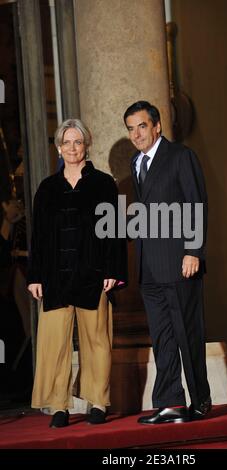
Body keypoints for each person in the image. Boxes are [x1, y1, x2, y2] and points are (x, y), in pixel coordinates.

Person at [27, 118, 127, 428]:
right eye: (66, 142)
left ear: (86, 145)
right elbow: (39, 236)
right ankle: (59, 405)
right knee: (54, 342)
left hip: (92, 274)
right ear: (58, 148)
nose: (72, 148)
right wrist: (35, 276)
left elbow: (116, 230)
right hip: (55, 277)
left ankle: (98, 402)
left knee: (97, 339)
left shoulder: (103, 184)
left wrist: (114, 270)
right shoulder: (47, 188)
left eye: (78, 142)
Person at [124, 101, 211, 424]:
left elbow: (196, 204)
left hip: (179, 261)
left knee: (187, 334)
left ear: (157, 126)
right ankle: (170, 403)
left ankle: (200, 400)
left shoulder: (180, 156)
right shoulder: (136, 163)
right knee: (162, 338)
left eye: (142, 126)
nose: (136, 133)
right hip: (149, 268)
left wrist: (194, 251)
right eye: (131, 128)